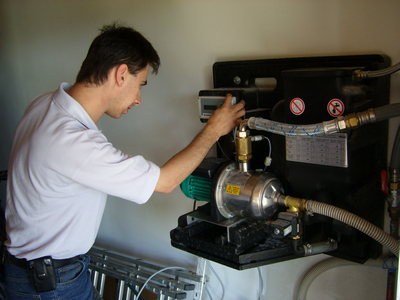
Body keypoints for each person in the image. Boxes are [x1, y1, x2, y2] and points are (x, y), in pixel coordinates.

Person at [4, 23, 245, 299]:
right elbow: (165, 182)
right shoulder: (73, 142)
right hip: (50, 286)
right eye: (140, 84)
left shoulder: (43, 104)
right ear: (121, 74)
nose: (138, 99)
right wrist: (214, 129)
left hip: (39, 274)